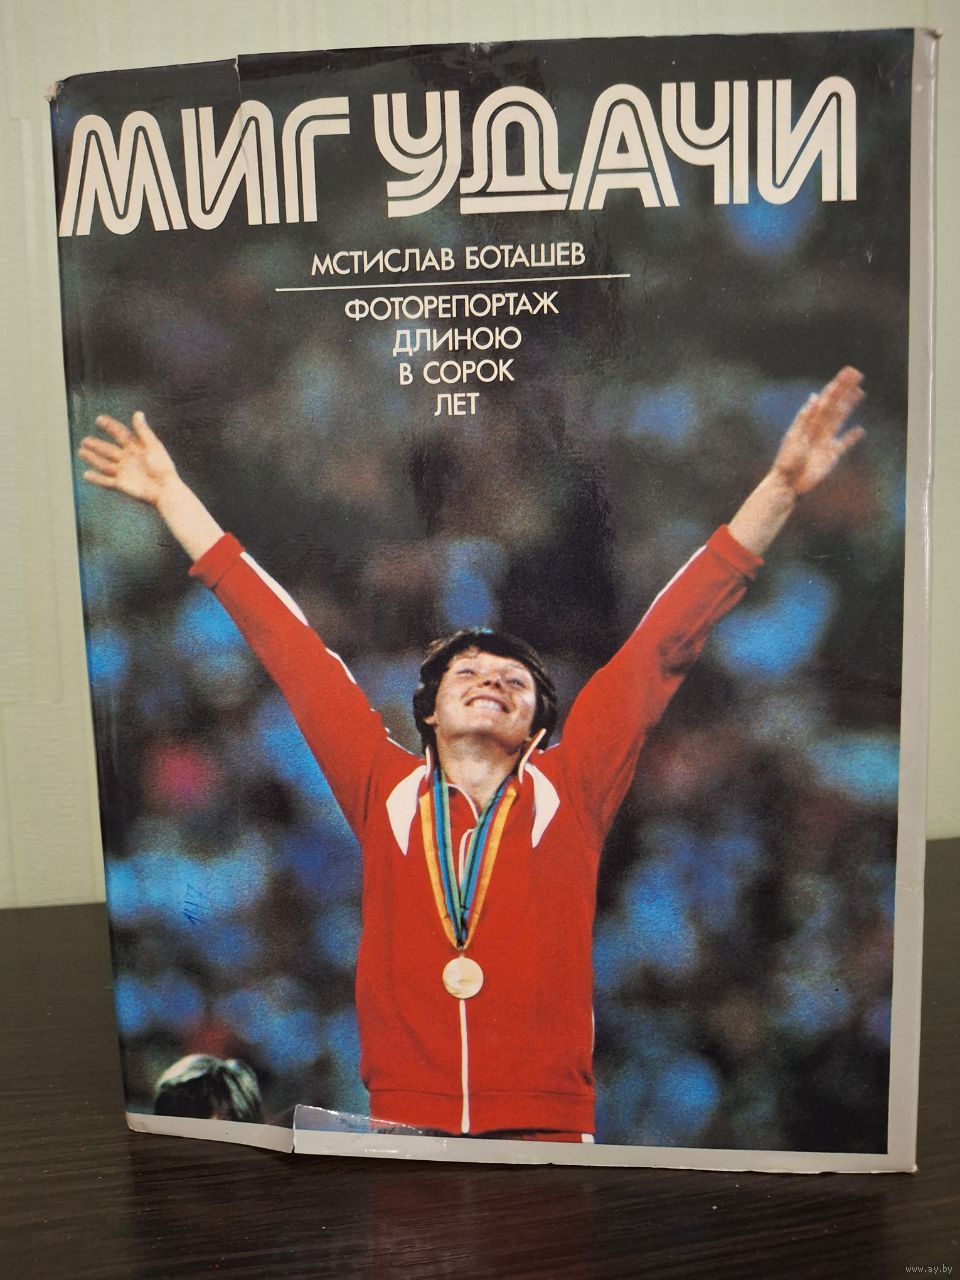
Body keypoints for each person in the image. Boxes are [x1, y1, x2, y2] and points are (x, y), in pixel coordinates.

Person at [79, 367, 865, 1142]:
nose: (491, 678)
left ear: (536, 727)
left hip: (546, 1131)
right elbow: (288, 644)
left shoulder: (572, 788)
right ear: (427, 713)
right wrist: (173, 499)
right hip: (403, 1129)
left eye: (513, 680)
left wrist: (779, 491)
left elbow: (666, 638)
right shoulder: (383, 790)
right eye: (468, 673)